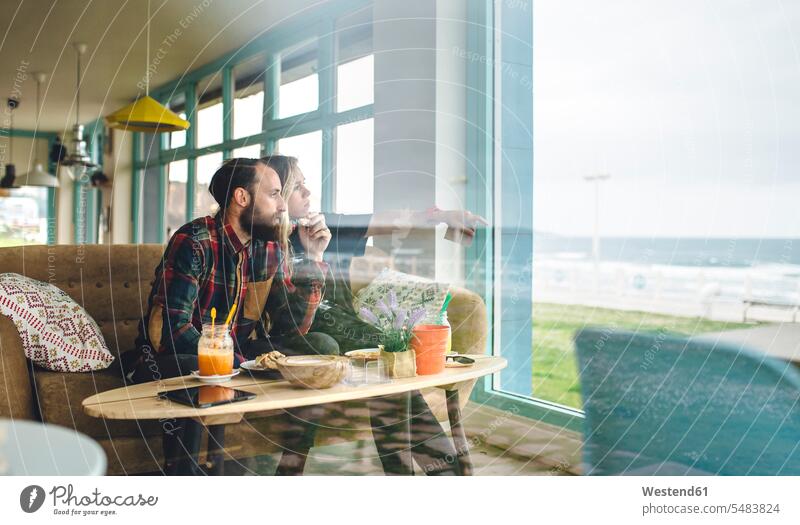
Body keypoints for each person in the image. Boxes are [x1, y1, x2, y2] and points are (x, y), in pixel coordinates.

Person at [260, 154, 485, 475]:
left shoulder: (323, 226)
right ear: (274, 196)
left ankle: (429, 470)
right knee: (386, 353)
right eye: (298, 187)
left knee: (388, 355)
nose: (309, 193)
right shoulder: (261, 242)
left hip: (342, 325)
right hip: (302, 339)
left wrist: (443, 215)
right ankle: (438, 470)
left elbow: (389, 220)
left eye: (306, 185)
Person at [120, 157, 333, 474]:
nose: (282, 206)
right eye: (274, 194)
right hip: (171, 359)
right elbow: (169, 331)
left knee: (321, 347)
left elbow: (293, 328)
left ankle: (289, 472)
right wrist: (228, 359)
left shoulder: (267, 249)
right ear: (242, 198)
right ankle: (185, 476)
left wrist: (314, 259)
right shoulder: (193, 241)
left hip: (237, 356)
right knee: (201, 369)